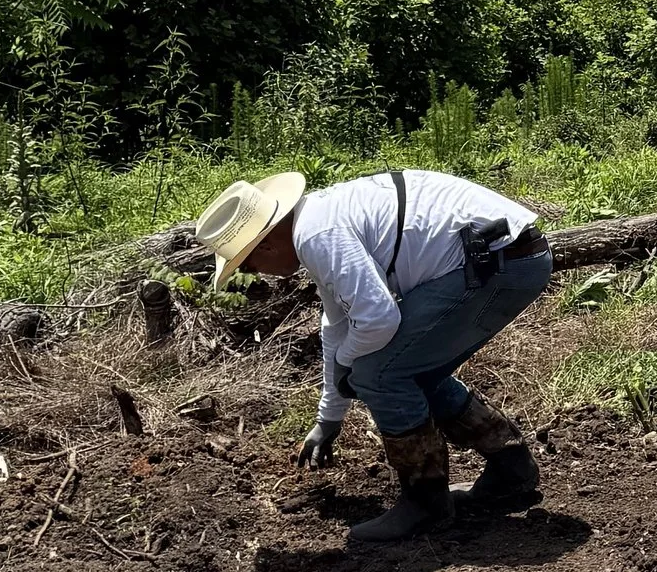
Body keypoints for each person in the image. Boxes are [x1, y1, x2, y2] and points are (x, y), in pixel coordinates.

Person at [194, 165, 554, 547]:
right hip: (504, 259)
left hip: (500, 264)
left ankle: (426, 502)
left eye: (248, 264)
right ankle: (511, 470)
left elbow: (379, 320)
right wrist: (329, 417)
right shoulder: (314, 223)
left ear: (264, 244)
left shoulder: (318, 235)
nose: (257, 273)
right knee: (409, 370)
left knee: (380, 373)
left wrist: (351, 365)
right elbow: (337, 327)